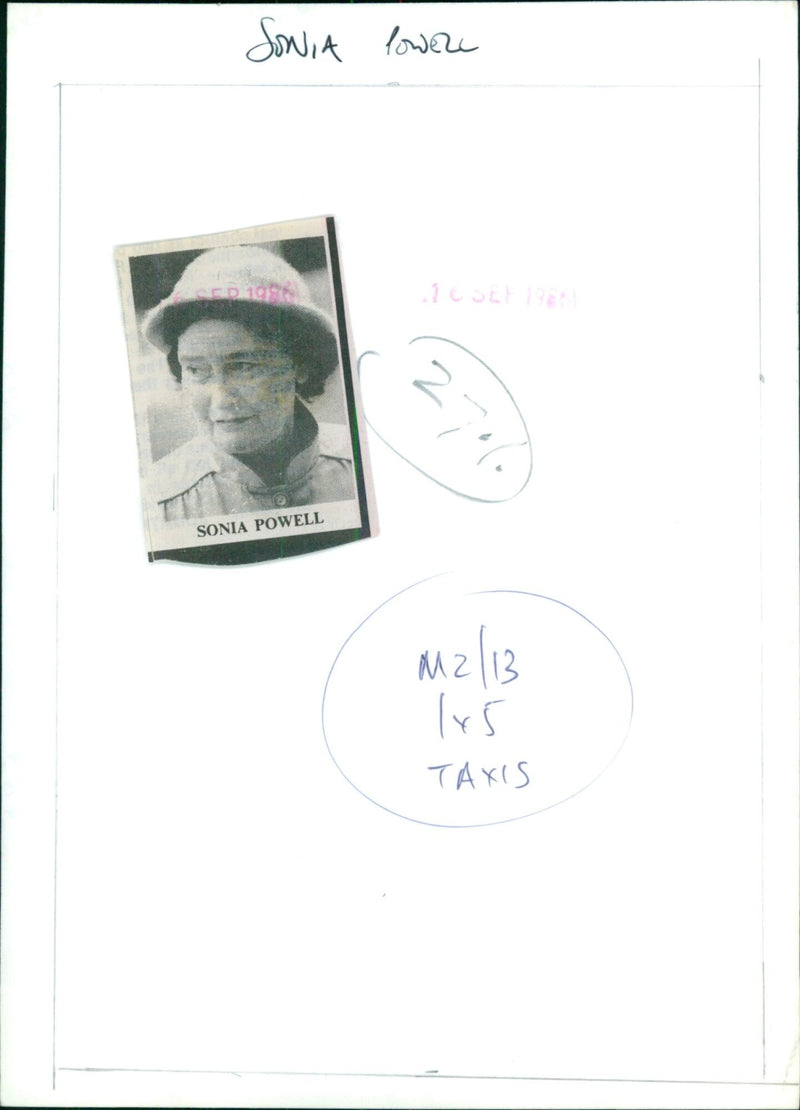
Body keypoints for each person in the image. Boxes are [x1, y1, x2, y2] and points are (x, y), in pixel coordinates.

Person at [142, 245, 354, 521]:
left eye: (242, 368)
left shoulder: (358, 466)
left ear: (300, 365)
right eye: (196, 370)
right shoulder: (158, 504)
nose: (220, 398)